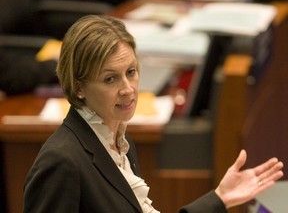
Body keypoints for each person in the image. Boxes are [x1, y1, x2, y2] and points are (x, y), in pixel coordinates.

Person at [23, 15, 284, 213]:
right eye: (110, 79)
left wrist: (219, 197)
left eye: (131, 72)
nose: (128, 90)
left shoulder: (118, 140)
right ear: (79, 87)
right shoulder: (61, 162)